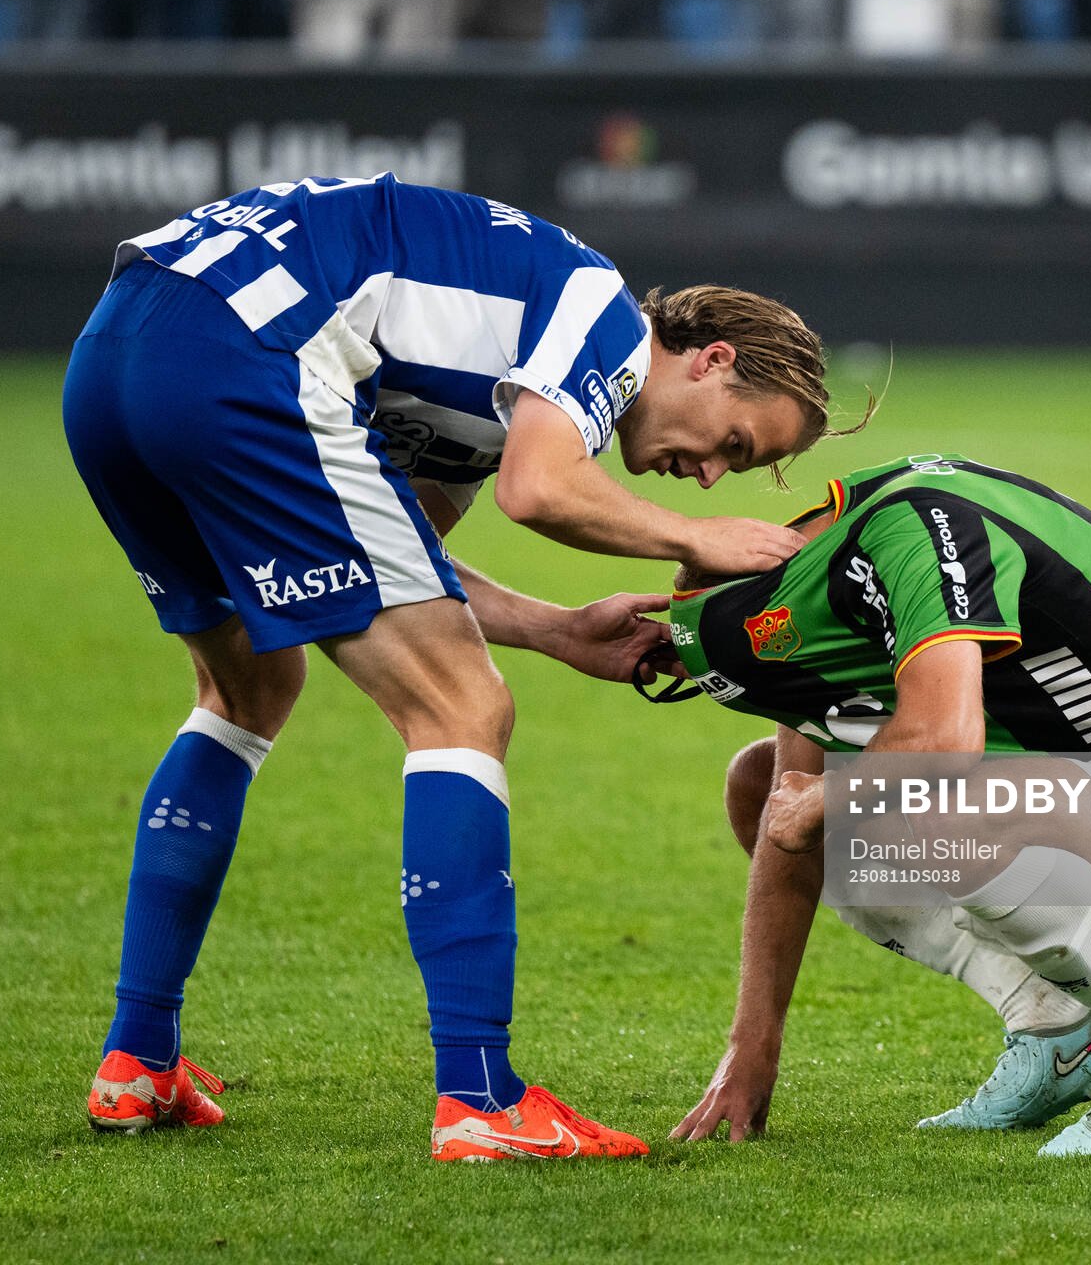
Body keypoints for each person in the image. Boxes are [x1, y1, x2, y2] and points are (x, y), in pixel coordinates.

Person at [63, 172, 837, 1160]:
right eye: (733, 438)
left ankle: (139, 1057)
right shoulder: (599, 308)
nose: (712, 471)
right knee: (465, 708)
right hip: (242, 350)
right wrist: (699, 536)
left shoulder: (468, 389)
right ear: (706, 358)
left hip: (118, 356)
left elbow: (399, 566)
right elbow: (540, 487)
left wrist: (559, 628)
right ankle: (480, 1094)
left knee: (250, 685)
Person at [659, 452, 1091, 1156]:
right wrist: (752, 1048)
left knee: (930, 792)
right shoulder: (840, 584)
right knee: (761, 781)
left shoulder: (915, 544)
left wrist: (830, 797)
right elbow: (782, 812)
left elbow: (945, 744)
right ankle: (1053, 1028)